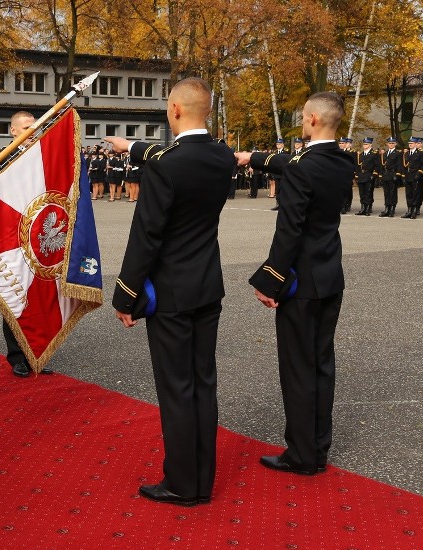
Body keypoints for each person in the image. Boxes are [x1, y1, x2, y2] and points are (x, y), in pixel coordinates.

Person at [107, 77, 235, 506]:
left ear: (175, 109)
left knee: (177, 388)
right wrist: (133, 148)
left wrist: (125, 296)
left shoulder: (165, 164)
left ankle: (182, 484)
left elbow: (147, 235)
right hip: (206, 284)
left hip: (172, 293)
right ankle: (202, 478)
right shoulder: (221, 157)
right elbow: (185, 153)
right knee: (203, 383)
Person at [236, 91, 355, 476]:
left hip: (301, 282)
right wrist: (251, 157)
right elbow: (293, 162)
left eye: (304, 117)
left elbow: (289, 231)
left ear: (314, 120)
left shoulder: (302, 165)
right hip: (329, 275)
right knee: (321, 364)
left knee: (298, 368)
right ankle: (318, 446)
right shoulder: (340, 159)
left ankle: (302, 455)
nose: (302, 121)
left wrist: (270, 280)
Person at [0, 111, 54, 377]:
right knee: (15, 296)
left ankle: (37, 352)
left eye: (35, 127)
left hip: (40, 238)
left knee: (41, 296)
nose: (32, 131)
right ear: (13, 131)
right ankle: (17, 355)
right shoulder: (2, 160)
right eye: (26, 128)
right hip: (12, 239)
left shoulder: (44, 157)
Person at [401, 136, 423, 219]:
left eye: (412, 143)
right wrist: (403, 176)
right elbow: (404, 166)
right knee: (409, 194)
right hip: (408, 176)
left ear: (416, 144)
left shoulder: (420, 153)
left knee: (416, 193)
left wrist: (419, 173)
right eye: (409, 143)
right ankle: (409, 210)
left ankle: (414, 210)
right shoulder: (406, 154)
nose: (410, 145)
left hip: (416, 176)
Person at [355, 137, 378, 216]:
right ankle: (363, 208)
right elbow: (357, 166)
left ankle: (368, 208)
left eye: (367, 144)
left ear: (370, 144)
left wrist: (374, 174)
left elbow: (377, 165)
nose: (365, 145)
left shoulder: (374, 154)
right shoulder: (360, 155)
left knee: (368, 192)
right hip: (361, 175)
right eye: (364, 144)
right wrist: (357, 175)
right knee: (362, 193)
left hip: (369, 175)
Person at [379, 136, 401, 217]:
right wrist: (381, 175)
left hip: (392, 174)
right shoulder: (384, 153)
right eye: (389, 143)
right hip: (386, 175)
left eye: (392, 143)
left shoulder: (398, 153)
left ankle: (392, 208)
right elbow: (381, 165)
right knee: (386, 193)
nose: (391, 144)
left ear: (395, 144)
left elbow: (399, 165)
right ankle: (387, 208)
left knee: (393, 193)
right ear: (387, 144)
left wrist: (397, 175)